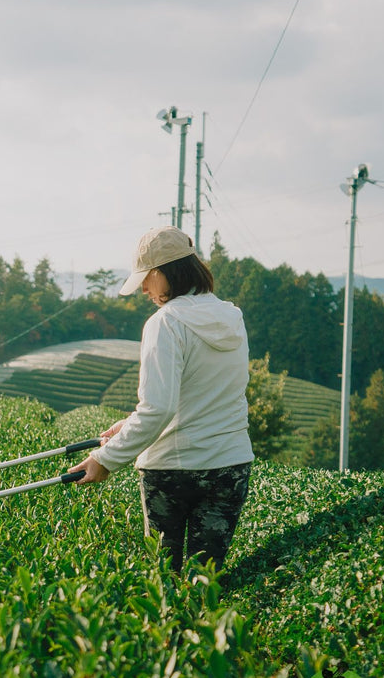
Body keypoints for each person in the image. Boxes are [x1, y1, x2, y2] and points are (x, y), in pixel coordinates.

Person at [75, 226, 255, 574]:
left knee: (165, 583)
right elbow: (200, 395)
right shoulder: (233, 318)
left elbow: (159, 408)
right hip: (229, 467)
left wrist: (105, 459)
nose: (143, 289)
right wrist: (131, 424)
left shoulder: (166, 323)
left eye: (146, 279)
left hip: (172, 470)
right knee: (207, 582)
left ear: (163, 273)